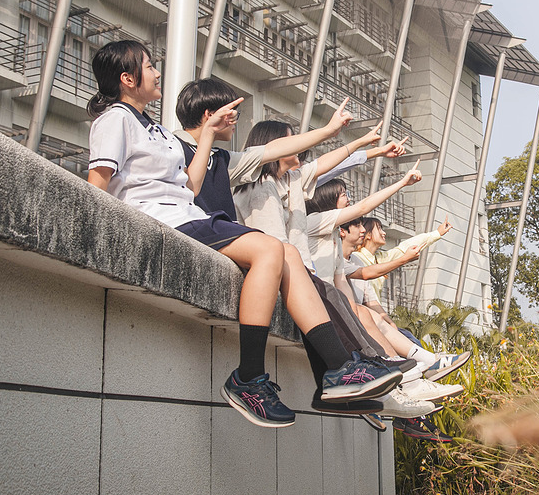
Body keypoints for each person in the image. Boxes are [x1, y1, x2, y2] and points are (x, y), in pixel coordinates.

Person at [85, 41, 401, 428]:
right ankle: (250, 377)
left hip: (187, 214)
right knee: (272, 249)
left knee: (285, 253)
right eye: (149, 66)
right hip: (162, 221)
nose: (156, 71)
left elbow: (191, 185)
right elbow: (96, 187)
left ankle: (337, 371)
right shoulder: (115, 118)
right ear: (127, 78)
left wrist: (206, 138)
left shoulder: (156, 131)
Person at [232, 117, 435, 420]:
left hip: (296, 270)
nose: (299, 146)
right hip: (276, 267)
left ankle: (355, 379)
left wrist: (364, 145)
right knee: (326, 295)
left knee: (332, 296)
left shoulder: (293, 180)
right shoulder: (256, 186)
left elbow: (329, 163)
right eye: (291, 140)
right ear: (273, 146)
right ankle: (356, 372)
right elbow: (272, 244)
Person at [355, 216, 472, 382]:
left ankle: (426, 374)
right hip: (366, 319)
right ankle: (420, 377)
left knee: (411, 339)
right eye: (379, 228)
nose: (383, 232)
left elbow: (405, 248)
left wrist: (436, 233)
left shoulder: (379, 258)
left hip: (377, 316)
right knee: (407, 344)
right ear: (367, 235)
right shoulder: (356, 259)